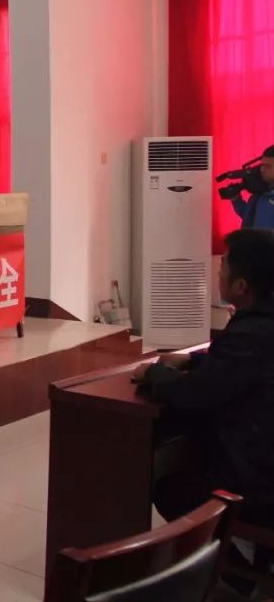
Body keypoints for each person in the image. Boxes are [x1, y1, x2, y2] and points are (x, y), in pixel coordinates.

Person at [132, 228, 274, 527]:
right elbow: (237, 370)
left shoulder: (252, 333)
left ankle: (229, 556)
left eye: (223, 265)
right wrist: (192, 360)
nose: (218, 272)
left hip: (255, 484)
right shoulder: (260, 325)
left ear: (241, 286)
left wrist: (153, 372)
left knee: (171, 490)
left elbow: (196, 393)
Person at [232, 145, 274, 230]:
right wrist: (236, 200)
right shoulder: (260, 193)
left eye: (268, 167)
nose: (262, 170)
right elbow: (249, 217)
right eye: (262, 165)